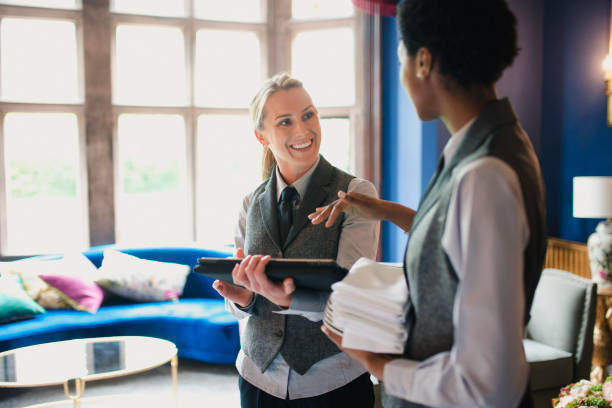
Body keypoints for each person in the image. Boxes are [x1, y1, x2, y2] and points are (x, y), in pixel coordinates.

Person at [312, 0, 547, 407]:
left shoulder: (484, 175)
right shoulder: (496, 142)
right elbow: (459, 243)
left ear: (423, 61)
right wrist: (383, 210)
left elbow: (488, 383)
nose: (401, 73)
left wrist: (378, 364)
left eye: (401, 55)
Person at [212, 73, 380, 408]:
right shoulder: (250, 202)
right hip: (257, 380)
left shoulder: (356, 195)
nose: (303, 130)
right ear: (262, 136)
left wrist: (289, 300)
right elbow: (242, 309)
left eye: (308, 115)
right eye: (285, 122)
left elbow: (352, 300)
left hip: (333, 381)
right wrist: (243, 299)